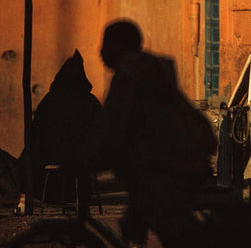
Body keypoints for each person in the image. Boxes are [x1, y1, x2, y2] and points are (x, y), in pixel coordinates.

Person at [94, 19, 217, 248]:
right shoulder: (148, 71)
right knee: (137, 221)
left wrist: (87, 159)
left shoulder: (130, 76)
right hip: (173, 160)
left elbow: (114, 127)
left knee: (170, 228)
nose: (101, 52)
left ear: (120, 46)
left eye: (106, 44)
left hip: (169, 167)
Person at [17, 49, 102, 212]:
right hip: (82, 156)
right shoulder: (89, 101)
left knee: (27, 157)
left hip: (52, 154)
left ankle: (24, 200)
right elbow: (102, 128)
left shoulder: (51, 100)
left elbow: (35, 131)